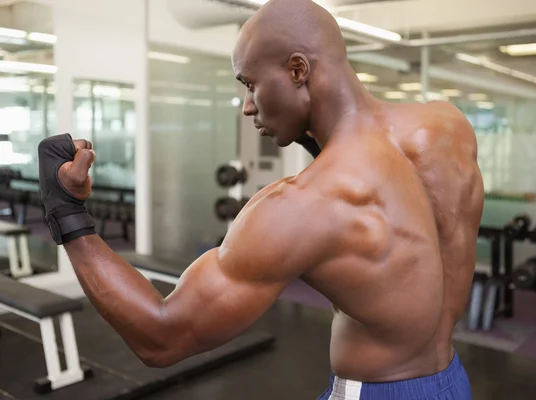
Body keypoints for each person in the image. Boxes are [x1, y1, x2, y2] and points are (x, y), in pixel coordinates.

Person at [37, 0, 484, 398]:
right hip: (450, 380)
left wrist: (65, 209)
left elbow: (162, 335)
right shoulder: (447, 127)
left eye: (250, 84)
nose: (247, 106)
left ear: (297, 70)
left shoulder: (305, 204)